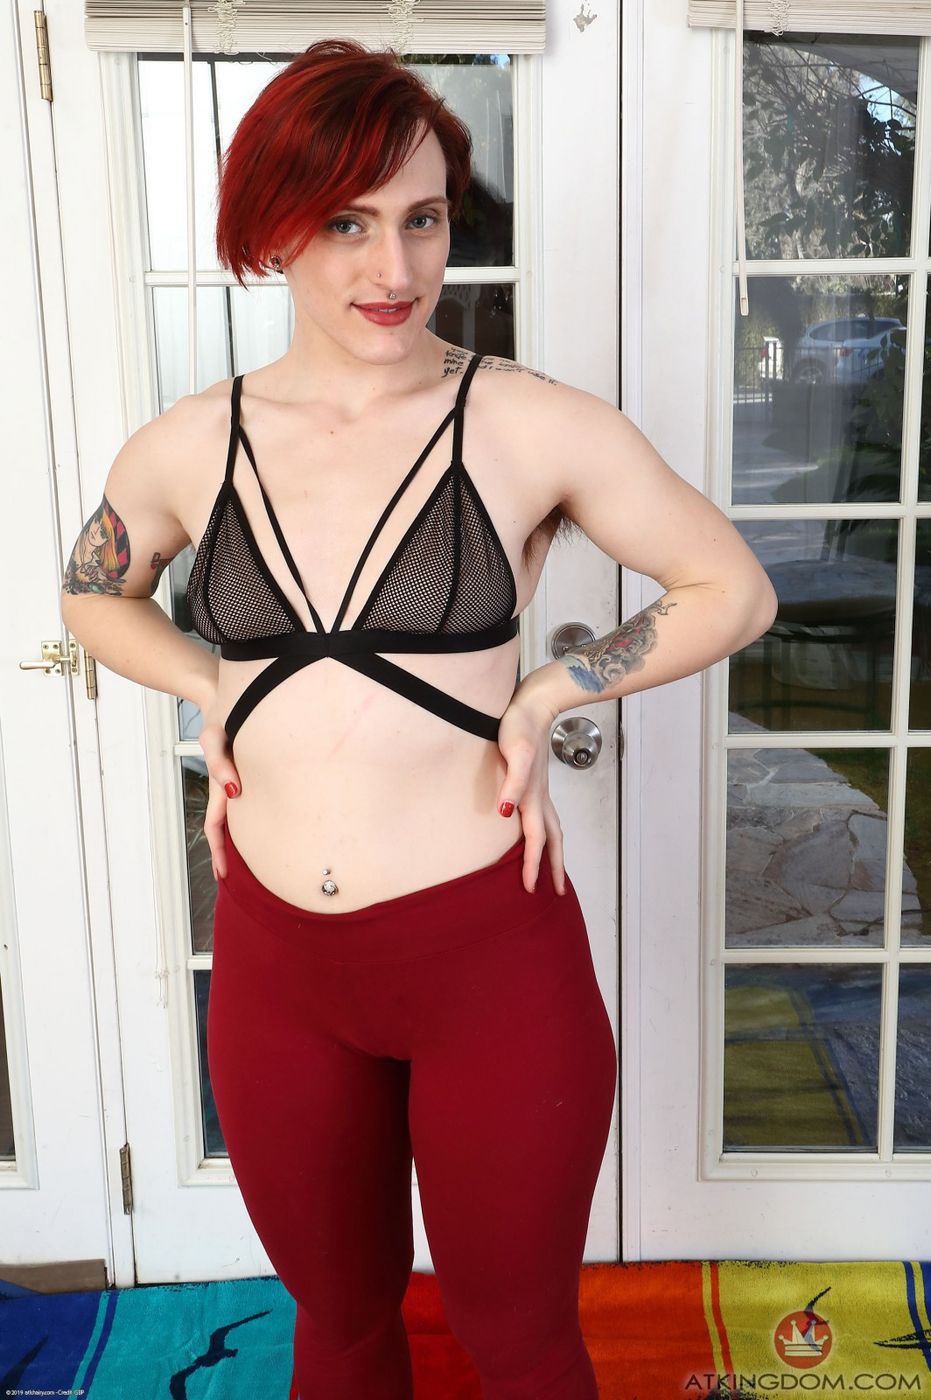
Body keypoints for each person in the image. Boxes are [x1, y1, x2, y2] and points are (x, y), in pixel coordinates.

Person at [59, 38, 777, 1400]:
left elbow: (731, 590)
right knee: (337, 1327)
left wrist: (553, 689)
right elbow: (92, 592)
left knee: (519, 1339)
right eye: (346, 222)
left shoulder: (529, 423)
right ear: (273, 227)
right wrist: (212, 683)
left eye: (424, 218)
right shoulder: (188, 443)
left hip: (487, 962)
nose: (393, 267)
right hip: (280, 971)